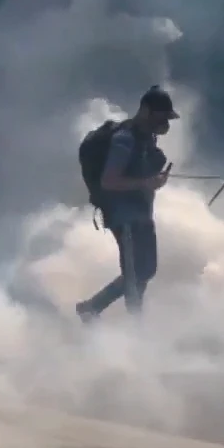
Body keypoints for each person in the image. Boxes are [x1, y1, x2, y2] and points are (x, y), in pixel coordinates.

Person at [77, 85, 177, 321]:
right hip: (123, 217)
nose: (165, 122)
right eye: (161, 115)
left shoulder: (145, 139)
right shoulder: (125, 139)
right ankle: (134, 331)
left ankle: (92, 307)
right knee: (134, 274)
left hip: (141, 214)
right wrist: (147, 183)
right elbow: (109, 181)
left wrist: (153, 181)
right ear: (146, 111)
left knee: (146, 270)